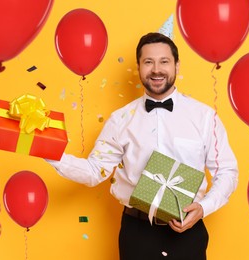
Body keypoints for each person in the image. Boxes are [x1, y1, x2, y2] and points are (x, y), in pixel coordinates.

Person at [47, 32, 238, 260]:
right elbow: (93, 171)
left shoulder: (204, 117)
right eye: (148, 62)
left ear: (177, 65)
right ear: (139, 67)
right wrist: (47, 149)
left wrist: (203, 208)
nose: (156, 69)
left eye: (164, 61)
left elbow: (227, 172)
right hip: (136, 232)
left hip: (188, 230)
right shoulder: (120, 120)